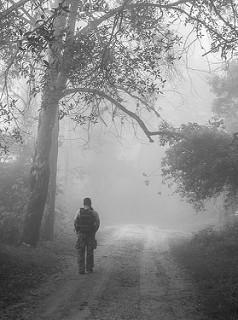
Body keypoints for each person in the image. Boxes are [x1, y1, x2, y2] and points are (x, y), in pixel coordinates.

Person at [74, 198, 100, 274]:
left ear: (83, 203)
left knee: (81, 251)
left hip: (81, 234)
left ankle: (81, 270)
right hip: (90, 234)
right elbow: (98, 223)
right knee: (90, 251)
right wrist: (94, 231)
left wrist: (78, 231)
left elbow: (75, 221)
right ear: (90, 203)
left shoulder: (79, 211)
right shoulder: (94, 213)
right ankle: (89, 268)